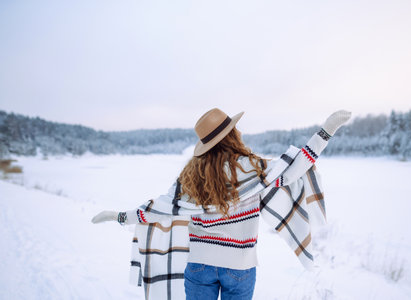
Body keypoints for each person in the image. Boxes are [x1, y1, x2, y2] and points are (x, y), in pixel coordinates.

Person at [92, 108, 351, 300]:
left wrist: (120, 217)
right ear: (233, 135)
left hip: (200, 264)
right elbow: (295, 167)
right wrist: (325, 131)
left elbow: (158, 209)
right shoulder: (253, 168)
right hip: (240, 266)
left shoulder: (191, 177)